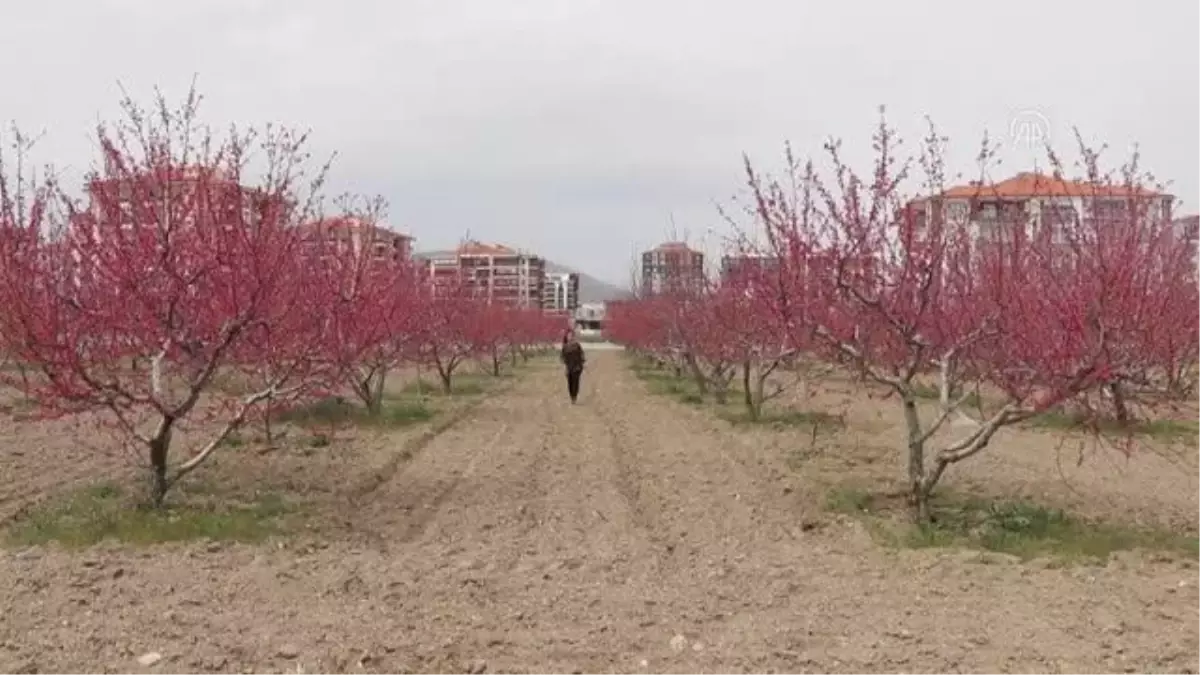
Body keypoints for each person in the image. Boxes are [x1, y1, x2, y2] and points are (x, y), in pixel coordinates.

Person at [560, 329, 586, 404]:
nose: (570, 337)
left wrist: (583, 361)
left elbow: (582, 354)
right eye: (568, 335)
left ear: (573, 336)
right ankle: (572, 396)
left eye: (571, 335)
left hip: (577, 367)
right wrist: (564, 366)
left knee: (575, 382)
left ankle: (574, 397)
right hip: (569, 367)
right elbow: (562, 357)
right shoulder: (565, 347)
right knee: (570, 383)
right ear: (567, 336)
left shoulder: (577, 345)